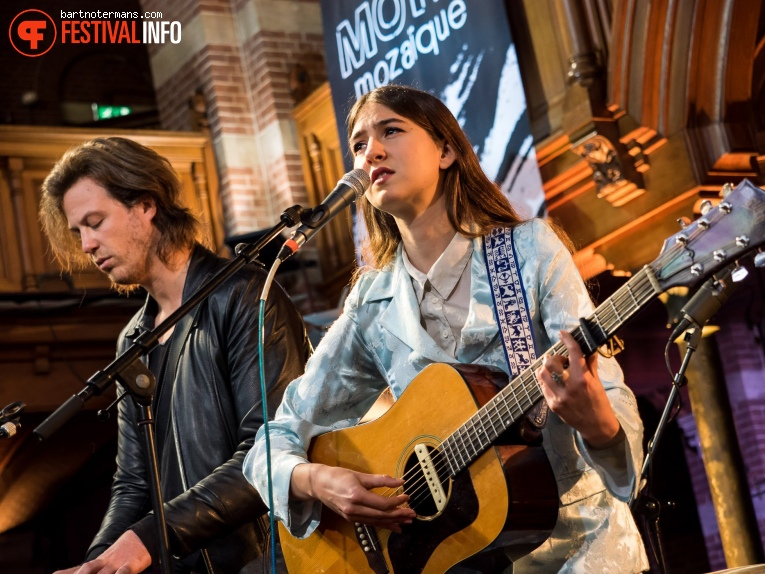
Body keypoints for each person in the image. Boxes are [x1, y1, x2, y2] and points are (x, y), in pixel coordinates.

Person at [243, 84, 649, 572]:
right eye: (357, 144)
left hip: (583, 548)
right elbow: (273, 441)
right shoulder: (372, 305)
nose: (370, 151)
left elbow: (613, 406)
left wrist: (597, 422)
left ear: (446, 150)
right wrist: (320, 481)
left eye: (391, 130)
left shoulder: (528, 252)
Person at [40, 137, 310, 574]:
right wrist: (99, 562)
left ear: (146, 206)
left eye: (95, 222)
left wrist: (148, 538)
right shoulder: (132, 340)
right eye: (78, 232)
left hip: (269, 560)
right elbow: (132, 483)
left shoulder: (243, 296)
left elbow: (270, 450)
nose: (87, 245)